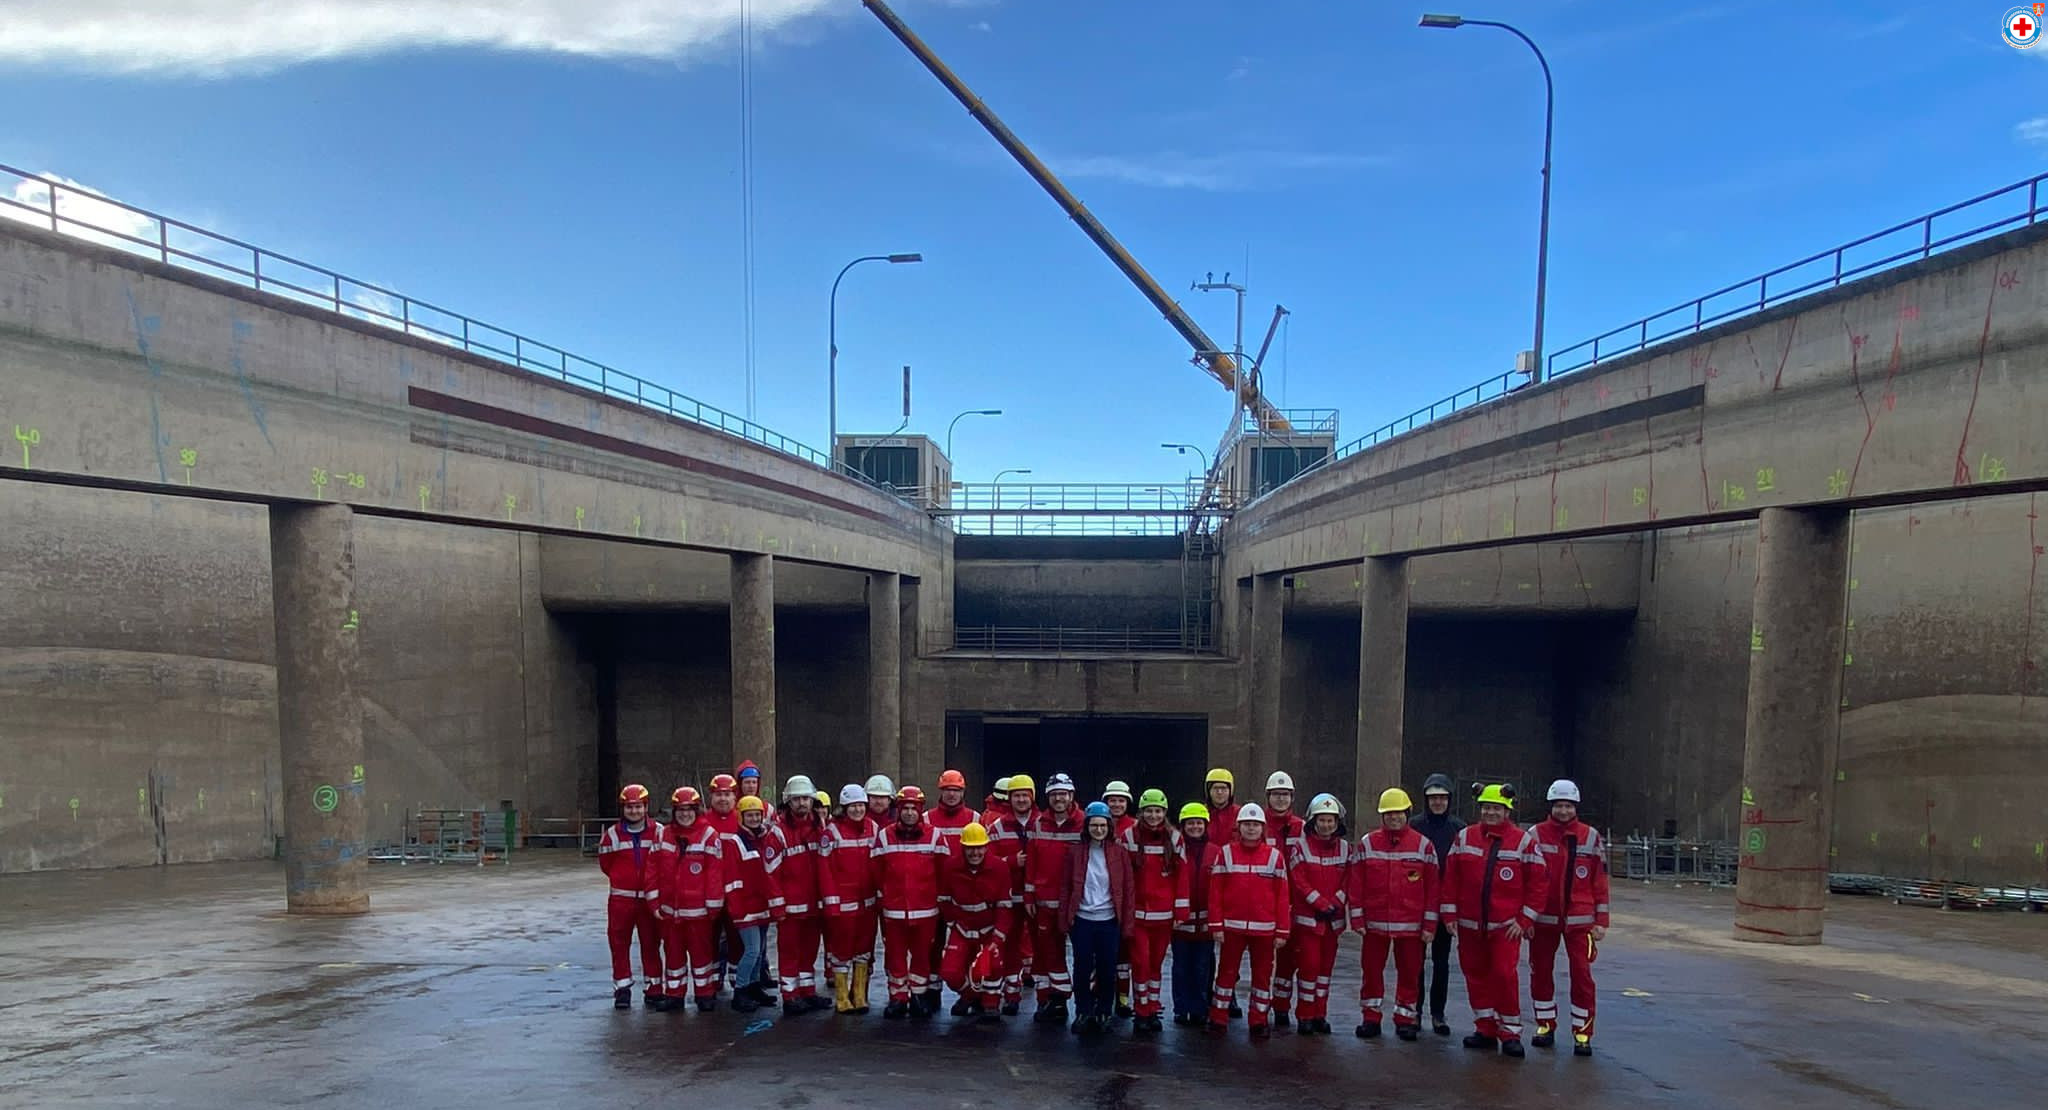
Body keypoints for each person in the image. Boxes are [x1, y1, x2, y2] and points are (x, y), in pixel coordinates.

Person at [1444, 783, 1547, 1058]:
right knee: (1475, 976)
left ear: (1507, 810)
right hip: (1469, 925)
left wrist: (1525, 920)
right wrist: (1449, 914)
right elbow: (1451, 879)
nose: (1491, 812)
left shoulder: (1523, 841)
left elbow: (1539, 885)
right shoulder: (1464, 838)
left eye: (1496, 808)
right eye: (1487, 808)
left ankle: (1511, 1032)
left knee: (1503, 976)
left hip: (1506, 927)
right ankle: (1485, 1028)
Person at [1528, 778, 1609, 1057]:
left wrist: (1601, 921)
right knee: (1540, 972)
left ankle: (1582, 1032)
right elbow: (1528, 879)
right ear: (1551, 806)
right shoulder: (1536, 835)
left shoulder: (1590, 837)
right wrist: (1526, 917)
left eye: (1568, 806)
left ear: (1575, 807)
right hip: (1543, 919)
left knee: (1582, 975)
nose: (1563, 811)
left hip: (1580, 921)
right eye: (1558, 805)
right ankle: (1544, 1025)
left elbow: (1600, 882)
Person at [1351, 787, 1439, 1041]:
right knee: (1371, 970)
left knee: (1410, 972)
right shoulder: (1368, 843)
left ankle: (1405, 1018)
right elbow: (1356, 884)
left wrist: (1429, 925)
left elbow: (1433, 888)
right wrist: (1356, 918)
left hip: (1411, 924)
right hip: (1374, 923)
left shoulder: (1423, 845)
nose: (1394, 818)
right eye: (1389, 814)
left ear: (1408, 814)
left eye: (1398, 814)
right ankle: (1370, 1017)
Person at [1207, 803, 1289, 1037]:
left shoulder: (1275, 857)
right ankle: (1218, 1018)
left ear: (1262, 828)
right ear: (1239, 827)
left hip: (1265, 930)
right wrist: (1216, 924)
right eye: (1247, 825)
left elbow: (1283, 896)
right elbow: (1215, 893)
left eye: (1255, 825)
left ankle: (1259, 1020)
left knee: (1262, 977)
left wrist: (1282, 930)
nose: (1251, 829)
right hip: (1231, 927)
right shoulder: (1226, 853)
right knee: (1226, 974)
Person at [871, 785, 946, 1020]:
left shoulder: (935, 836)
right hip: (893, 912)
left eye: (914, 809)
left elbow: (944, 873)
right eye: (906, 808)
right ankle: (897, 998)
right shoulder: (884, 836)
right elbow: (876, 872)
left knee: (922, 956)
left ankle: (919, 996)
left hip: (925, 911)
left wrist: (940, 901)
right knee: (895, 956)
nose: (910, 813)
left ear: (921, 810)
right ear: (899, 810)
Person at [1064, 801, 1135, 1036]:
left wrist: (1126, 922)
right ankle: (1083, 1011)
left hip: (1108, 920)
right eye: (1094, 825)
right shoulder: (1075, 852)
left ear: (1109, 827)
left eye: (1102, 825)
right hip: (1083, 919)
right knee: (1082, 968)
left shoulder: (1119, 853)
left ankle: (1105, 1011)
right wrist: (1065, 919)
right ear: (1087, 827)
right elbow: (1065, 888)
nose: (1098, 830)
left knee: (1107, 969)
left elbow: (1127, 889)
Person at [597, 784, 670, 1010]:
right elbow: (606, 865)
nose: (634, 811)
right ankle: (622, 989)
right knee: (619, 945)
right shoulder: (611, 835)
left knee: (651, 943)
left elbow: (663, 862)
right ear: (623, 809)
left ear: (646, 807)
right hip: (621, 900)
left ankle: (654, 988)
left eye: (638, 807)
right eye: (629, 807)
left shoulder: (659, 831)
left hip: (649, 899)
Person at [1284, 793, 1352, 1036]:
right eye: (1322, 820)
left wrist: (1335, 902)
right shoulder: (1300, 847)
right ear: (1313, 822)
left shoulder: (1345, 848)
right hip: (1309, 922)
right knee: (1308, 969)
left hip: (1332, 923)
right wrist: (1321, 903)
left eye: (1330, 821)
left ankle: (1320, 1014)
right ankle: (1304, 1015)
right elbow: (1298, 880)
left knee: (1325, 972)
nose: (1326, 825)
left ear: (1337, 823)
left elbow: (1349, 880)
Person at [1118, 789, 1182, 1033]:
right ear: (1141, 812)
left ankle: (1153, 1008)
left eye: (1158, 811)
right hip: (1137, 917)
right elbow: (1122, 875)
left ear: (1164, 813)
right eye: (1149, 811)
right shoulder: (1128, 837)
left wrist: (1180, 910)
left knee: (1155, 965)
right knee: (1141, 963)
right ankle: (1141, 1010)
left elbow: (1181, 876)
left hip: (1164, 917)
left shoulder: (1174, 839)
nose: (1153, 815)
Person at [765, 775, 830, 1014]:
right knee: (789, 952)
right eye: (796, 799)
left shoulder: (821, 826)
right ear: (788, 802)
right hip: (791, 907)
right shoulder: (778, 832)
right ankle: (790, 995)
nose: (802, 803)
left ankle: (807, 991)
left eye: (805, 798)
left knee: (810, 950)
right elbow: (771, 872)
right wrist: (778, 906)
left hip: (814, 904)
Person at [660, 785, 727, 1013]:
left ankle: (704, 994)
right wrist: (653, 899)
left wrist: (713, 903)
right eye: (680, 809)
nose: (685, 814)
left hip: (699, 912)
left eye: (689, 809)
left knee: (702, 955)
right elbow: (653, 868)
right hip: (671, 911)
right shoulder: (664, 834)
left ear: (697, 810)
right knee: (673, 955)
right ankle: (674, 995)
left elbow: (715, 873)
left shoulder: (709, 835)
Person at [1024, 773, 1084, 1023]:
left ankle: (1082, 1003)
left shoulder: (1085, 823)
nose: (1060, 798)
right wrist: (1029, 895)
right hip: (1044, 903)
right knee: (1047, 954)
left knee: (1084, 955)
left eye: (1064, 794)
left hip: (1076, 904)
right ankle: (1050, 1000)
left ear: (1071, 796)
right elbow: (1032, 863)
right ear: (1048, 797)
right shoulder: (1037, 824)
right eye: (1055, 794)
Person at [937, 821, 1012, 1021]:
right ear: (963, 847)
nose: (975, 853)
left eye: (979, 848)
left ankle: (991, 1004)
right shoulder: (951, 866)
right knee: (950, 972)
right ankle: (971, 995)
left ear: (986, 847)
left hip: (989, 930)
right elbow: (944, 900)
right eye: (970, 848)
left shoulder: (999, 868)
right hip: (961, 928)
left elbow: (1005, 907)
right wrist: (954, 924)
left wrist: (997, 938)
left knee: (992, 966)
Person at [1411, 771, 1464, 1035]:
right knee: (1415, 962)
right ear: (1426, 800)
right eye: (1433, 798)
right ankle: (1415, 1011)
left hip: (1446, 907)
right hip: (1418, 904)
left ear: (1449, 800)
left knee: (1441, 962)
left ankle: (1438, 1014)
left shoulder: (1458, 828)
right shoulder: (1414, 825)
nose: (1438, 803)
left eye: (1442, 798)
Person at [819, 784, 878, 1014]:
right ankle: (842, 997)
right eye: (852, 806)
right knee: (841, 949)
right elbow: (824, 869)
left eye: (860, 805)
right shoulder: (831, 833)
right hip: (842, 904)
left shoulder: (872, 828)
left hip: (868, 902)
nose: (857, 810)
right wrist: (830, 900)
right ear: (844, 808)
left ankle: (860, 995)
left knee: (864, 947)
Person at [722, 796, 783, 1013]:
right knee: (752, 950)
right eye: (750, 815)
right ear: (741, 817)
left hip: (761, 906)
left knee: (760, 951)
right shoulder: (734, 843)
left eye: (757, 815)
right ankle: (740, 991)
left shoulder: (764, 839)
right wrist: (737, 908)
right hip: (745, 909)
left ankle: (755, 987)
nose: (754, 819)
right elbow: (731, 879)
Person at [924, 769, 979, 1012]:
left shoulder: (975, 819)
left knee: (971, 948)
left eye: (956, 791)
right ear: (941, 791)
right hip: (935, 894)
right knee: (932, 946)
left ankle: (972, 992)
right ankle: (932, 991)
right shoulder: (926, 819)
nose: (951, 795)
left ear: (963, 792)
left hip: (967, 897)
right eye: (947, 790)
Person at [985, 774, 1037, 1015]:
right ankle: (1012, 993)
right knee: (1011, 946)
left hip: (1038, 899)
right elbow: (988, 863)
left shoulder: (1042, 823)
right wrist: (1012, 862)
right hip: (1009, 898)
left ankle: (1048, 999)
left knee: (1045, 948)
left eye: (1025, 795)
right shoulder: (997, 827)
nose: (1021, 800)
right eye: (1017, 795)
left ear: (1032, 797)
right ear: (1010, 798)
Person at [1261, 770, 1308, 1028]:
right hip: (1265, 901)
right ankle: (1264, 1005)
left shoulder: (1302, 827)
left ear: (1292, 797)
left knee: (1291, 959)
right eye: (1276, 795)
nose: (1281, 800)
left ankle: (1281, 1007)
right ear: (1268, 797)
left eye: (1285, 795)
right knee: (1264, 959)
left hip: (1296, 900)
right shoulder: (1257, 823)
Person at [1170, 802, 1218, 1027]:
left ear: (1205, 825)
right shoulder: (1174, 849)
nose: (1195, 827)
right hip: (1181, 922)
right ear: (1183, 825)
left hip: (1206, 923)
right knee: (1180, 968)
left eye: (1199, 823)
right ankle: (1181, 1008)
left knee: (1202, 968)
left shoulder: (1216, 852)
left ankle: (1200, 1008)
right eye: (1190, 823)